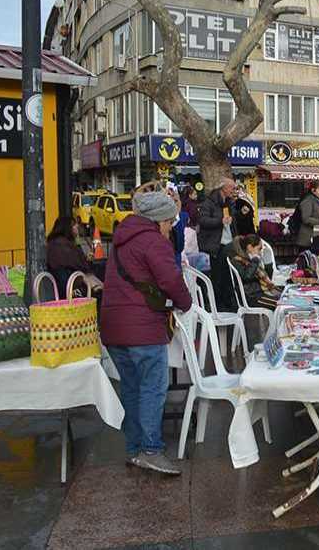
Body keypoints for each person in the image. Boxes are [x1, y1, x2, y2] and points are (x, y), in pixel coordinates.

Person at [101, 191, 192, 475]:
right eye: (168, 223)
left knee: (131, 387)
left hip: (113, 326)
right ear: (158, 220)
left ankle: (134, 448)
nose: (169, 229)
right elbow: (170, 279)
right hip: (141, 327)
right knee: (153, 388)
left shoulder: (121, 238)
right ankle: (151, 450)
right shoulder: (153, 241)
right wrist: (186, 303)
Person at [198, 177, 238, 309]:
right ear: (224, 188)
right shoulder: (208, 203)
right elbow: (203, 221)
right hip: (215, 245)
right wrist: (220, 221)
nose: (234, 190)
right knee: (217, 275)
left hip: (229, 242)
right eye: (232, 187)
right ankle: (217, 304)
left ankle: (228, 302)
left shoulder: (230, 202)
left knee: (227, 274)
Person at [46, 216, 102, 295]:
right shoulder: (62, 245)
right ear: (67, 228)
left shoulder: (57, 242)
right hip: (71, 286)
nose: (77, 226)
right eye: (74, 225)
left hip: (69, 282)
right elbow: (79, 265)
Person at [225, 234, 280, 309]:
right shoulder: (237, 260)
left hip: (257, 292)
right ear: (250, 247)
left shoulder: (248, 258)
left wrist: (268, 264)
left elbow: (268, 277)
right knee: (281, 305)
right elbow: (247, 276)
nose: (260, 252)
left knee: (284, 297)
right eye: (259, 249)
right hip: (251, 296)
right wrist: (255, 260)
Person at [296, 182, 319, 251]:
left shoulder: (316, 200)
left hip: (315, 237)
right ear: (313, 190)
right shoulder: (308, 201)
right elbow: (306, 219)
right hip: (307, 238)